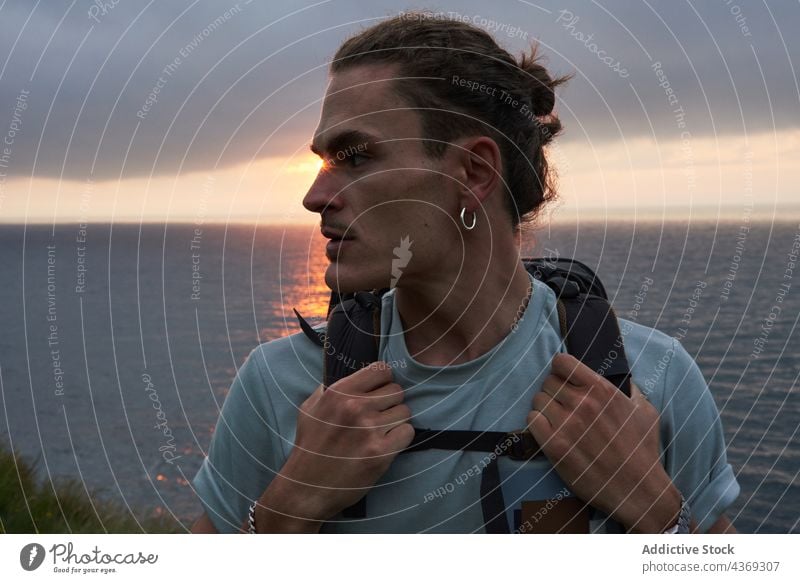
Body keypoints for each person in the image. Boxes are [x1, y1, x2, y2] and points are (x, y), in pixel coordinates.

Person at [190, 12, 739, 534]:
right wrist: (290, 504)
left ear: (473, 172)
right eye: (323, 162)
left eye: (355, 158)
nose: (314, 197)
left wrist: (656, 507)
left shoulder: (652, 379)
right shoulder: (280, 384)